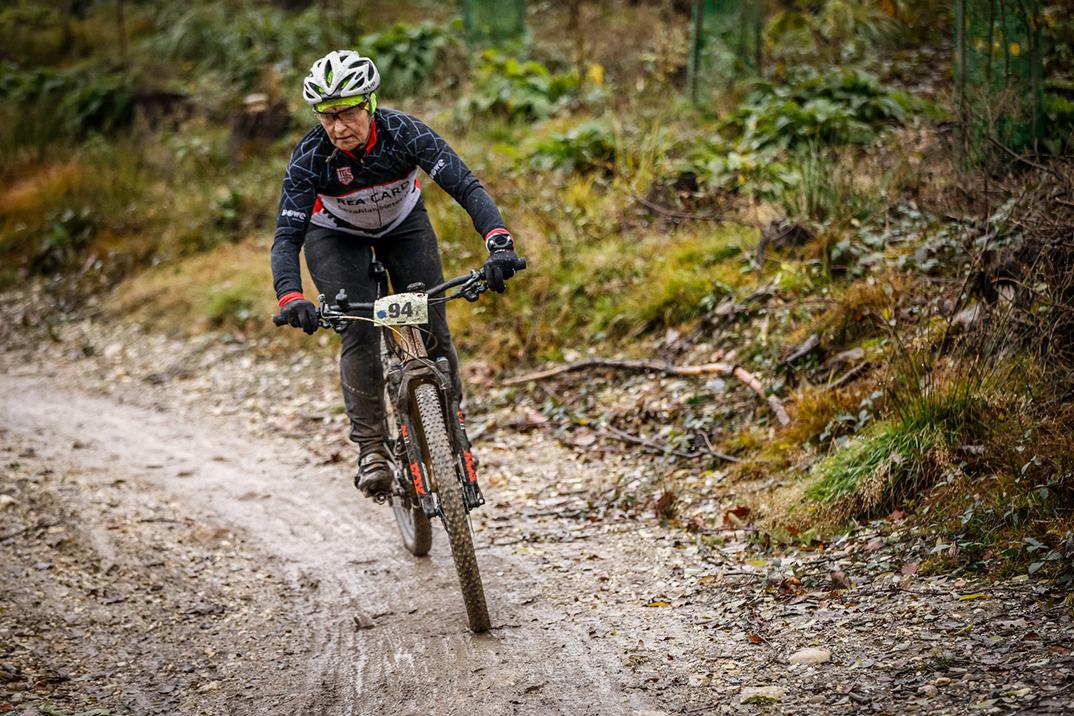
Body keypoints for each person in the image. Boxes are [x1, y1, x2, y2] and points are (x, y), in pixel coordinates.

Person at [271, 50, 519, 496]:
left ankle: (451, 432)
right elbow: (287, 236)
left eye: (347, 113)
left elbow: (465, 185)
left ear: (369, 104)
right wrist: (291, 296)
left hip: (404, 225)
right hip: (334, 236)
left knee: (430, 322)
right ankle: (371, 449)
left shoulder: (404, 132)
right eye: (327, 117)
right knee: (359, 330)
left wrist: (498, 242)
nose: (338, 127)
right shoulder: (310, 157)